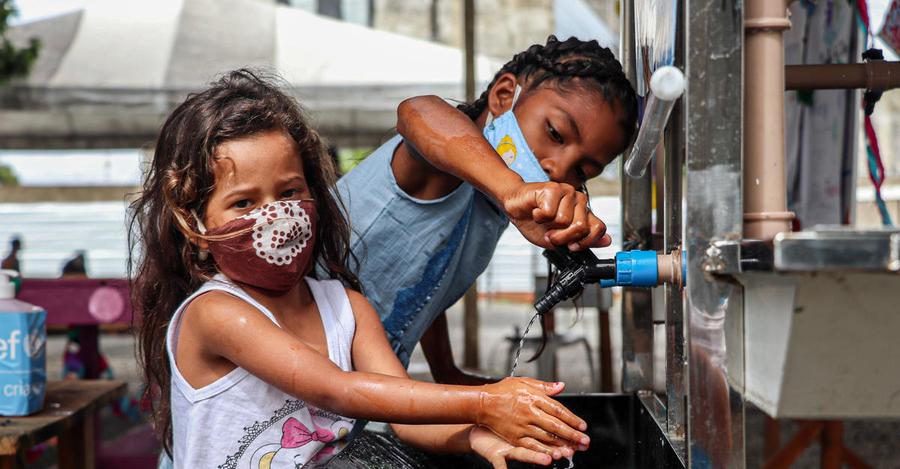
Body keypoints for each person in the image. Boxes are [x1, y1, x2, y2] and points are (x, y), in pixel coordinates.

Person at [131, 69, 590, 469]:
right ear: (194, 226)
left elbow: (406, 419)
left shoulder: (348, 309)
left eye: (290, 193)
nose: (275, 215)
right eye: (244, 203)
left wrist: (475, 436)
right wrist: (486, 402)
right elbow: (336, 390)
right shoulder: (214, 313)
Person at [336, 35, 638, 383]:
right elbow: (418, 111)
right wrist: (512, 189)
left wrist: (446, 371)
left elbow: (425, 280)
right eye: (555, 133)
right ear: (504, 96)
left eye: (582, 171)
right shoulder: (445, 169)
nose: (558, 168)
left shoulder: (490, 207)